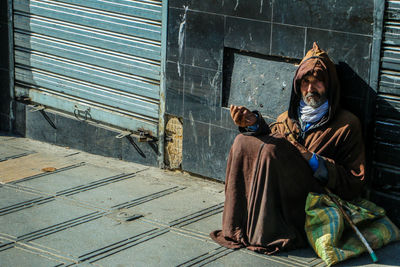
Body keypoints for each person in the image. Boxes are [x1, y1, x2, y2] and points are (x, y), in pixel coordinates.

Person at [210, 42, 366, 254]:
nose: (310, 89)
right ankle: (237, 228)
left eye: (317, 82)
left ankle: (268, 233)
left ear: (329, 85)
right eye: (305, 82)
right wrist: (253, 123)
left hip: (312, 202)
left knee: (273, 150)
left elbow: (354, 183)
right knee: (243, 142)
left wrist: (311, 159)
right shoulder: (288, 118)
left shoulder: (347, 125)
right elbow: (275, 142)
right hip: (282, 195)